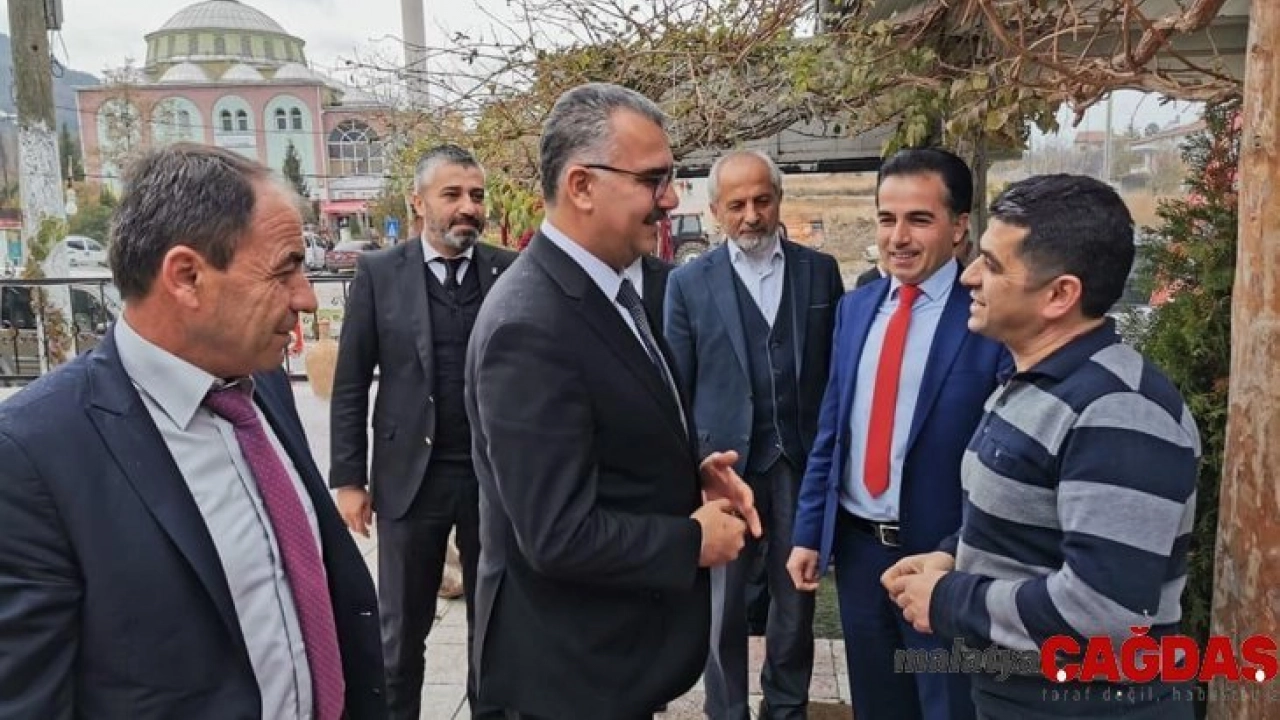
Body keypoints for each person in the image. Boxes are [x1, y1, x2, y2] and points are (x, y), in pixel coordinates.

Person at [0, 143, 384, 719]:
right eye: (285, 269)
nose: (306, 298)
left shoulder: (260, 382)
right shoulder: (33, 456)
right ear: (186, 276)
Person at [465, 82, 760, 719]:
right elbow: (556, 534)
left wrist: (690, 478)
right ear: (582, 186)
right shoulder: (530, 326)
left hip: (607, 668)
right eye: (653, 180)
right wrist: (691, 540)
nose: (671, 199)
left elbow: (604, 433)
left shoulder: (612, 287)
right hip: (564, 683)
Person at [884, 174, 1200, 719]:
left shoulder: (1117, 412)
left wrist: (948, 597)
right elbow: (1030, 521)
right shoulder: (1038, 381)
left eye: (992, 265)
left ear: (1059, 295)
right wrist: (952, 554)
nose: (969, 276)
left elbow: (1104, 613)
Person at [786, 147, 1008, 720]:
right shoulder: (856, 308)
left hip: (945, 559)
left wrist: (957, 551)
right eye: (887, 219)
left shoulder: (988, 318)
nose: (898, 237)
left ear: (959, 226)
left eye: (919, 219)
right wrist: (809, 532)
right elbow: (833, 430)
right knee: (878, 705)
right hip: (860, 556)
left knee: (948, 706)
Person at [329, 144, 517, 719]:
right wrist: (348, 480)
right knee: (400, 635)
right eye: (452, 194)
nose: (468, 207)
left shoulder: (509, 271)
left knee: (497, 630)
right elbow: (350, 381)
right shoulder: (380, 274)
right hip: (410, 478)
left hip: (493, 480)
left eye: (476, 195)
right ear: (418, 202)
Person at [665, 149, 844, 720]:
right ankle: (727, 710)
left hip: (798, 461)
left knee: (797, 593)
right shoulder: (687, 283)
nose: (751, 215)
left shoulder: (820, 272)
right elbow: (676, 389)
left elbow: (834, 374)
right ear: (716, 211)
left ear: (779, 200)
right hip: (723, 468)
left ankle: (786, 706)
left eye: (762, 200)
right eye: (737, 204)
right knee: (722, 602)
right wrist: (692, 472)